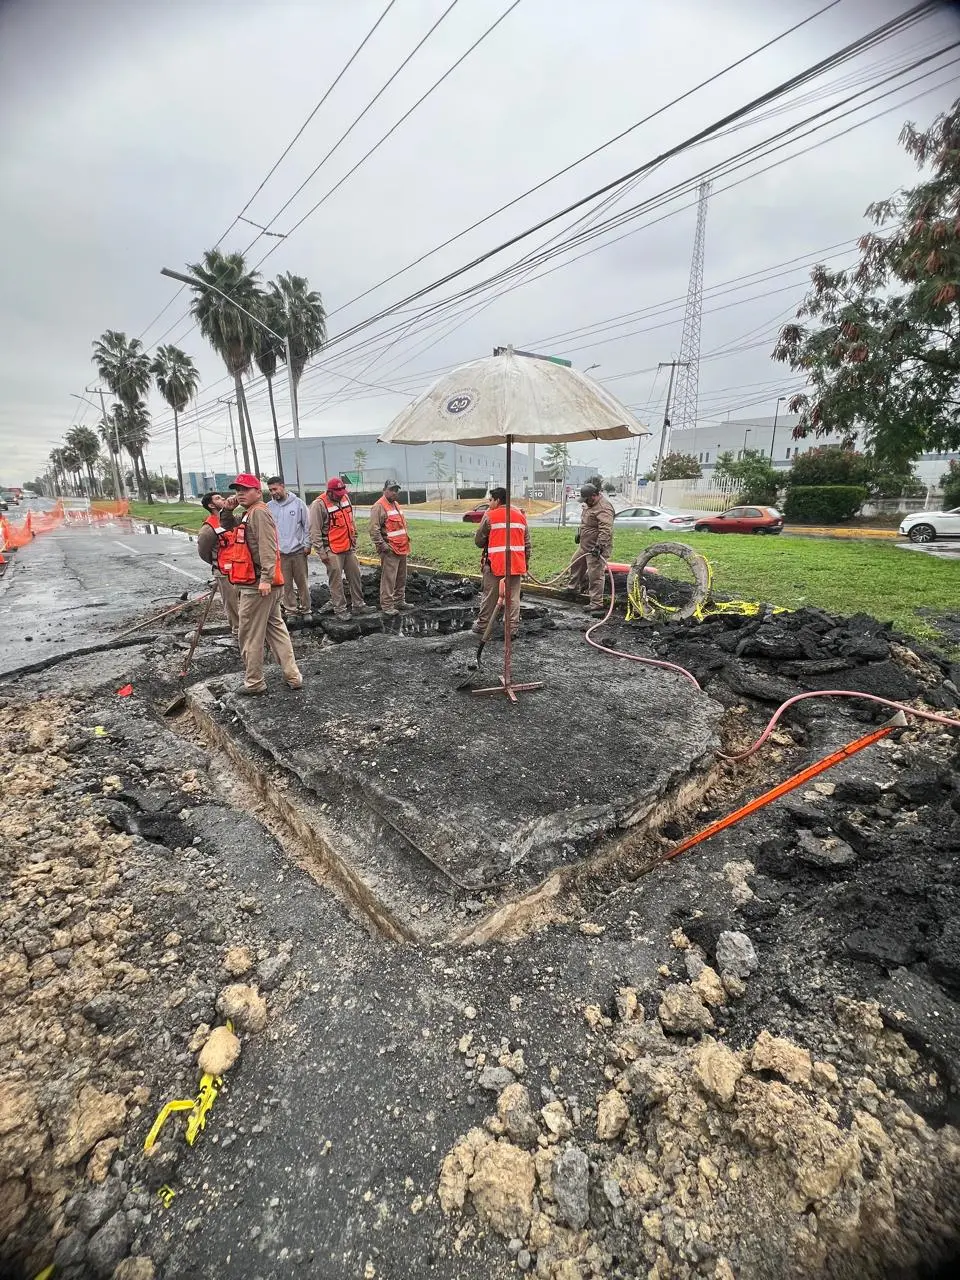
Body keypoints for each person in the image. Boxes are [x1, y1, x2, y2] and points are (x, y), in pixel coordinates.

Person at [219, 473, 303, 695]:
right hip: (262, 584)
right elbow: (228, 526)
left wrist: (266, 579)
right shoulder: (249, 513)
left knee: (249, 634)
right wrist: (227, 509)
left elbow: (269, 548)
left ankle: (254, 682)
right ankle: (292, 676)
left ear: (258, 491)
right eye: (238, 490)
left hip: (258, 586)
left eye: (245, 489)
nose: (240, 493)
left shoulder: (259, 513)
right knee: (275, 629)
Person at [308, 477, 371, 620]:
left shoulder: (345, 498)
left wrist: (354, 536)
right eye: (338, 493)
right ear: (330, 492)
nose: (341, 495)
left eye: (343, 491)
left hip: (348, 547)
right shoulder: (319, 504)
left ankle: (358, 605)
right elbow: (314, 531)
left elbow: (350, 520)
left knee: (355, 575)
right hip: (332, 549)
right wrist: (321, 552)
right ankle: (340, 609)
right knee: (336, 581)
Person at [473, 487, 531, 639]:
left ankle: (483, 625)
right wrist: (525, 563)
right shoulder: (520, 515)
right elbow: (527, 543)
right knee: (513, 598)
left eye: (490, 500)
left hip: (495, 564)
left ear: (498, 500)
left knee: (490, 595)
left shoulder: (490, 516)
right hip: (516, 564)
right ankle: (512, 628)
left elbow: (479, 541)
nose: (489, 503)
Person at [266, 477, 311, 620]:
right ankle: (291, 610)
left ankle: (306, 610)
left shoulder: (298, 504)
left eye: (275, 489)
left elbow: (307, 526)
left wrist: (307, 544)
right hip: (280, 554)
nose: (273, 492)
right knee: (285, 585)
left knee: (302, 582)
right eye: (270, 490)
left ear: (283, 487)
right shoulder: (268, 507)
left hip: (298, 551)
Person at [197, 491, 239, 636]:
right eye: (218, 498)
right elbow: (204, 552)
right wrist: (218, 563)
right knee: (232, 604)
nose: (223, 499)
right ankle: (237, 631)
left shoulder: (233, 519)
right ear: (211, 505)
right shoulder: (208, 529)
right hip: (224, 572)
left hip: (241, 569)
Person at [569, 483, 615, 616]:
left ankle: (596, 603)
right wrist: (580, 533)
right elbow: (586, 522)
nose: (585, 502)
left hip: (596, 548)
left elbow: (606, 530)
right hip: (585, 545)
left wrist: (599, 547)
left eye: (587, 499)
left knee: (595, 574)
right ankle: (573, 589)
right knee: (575, 563)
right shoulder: (589, 505)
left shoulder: (604, 508)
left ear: (594, 496)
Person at [369, 481, 412, 615]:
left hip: (402, 547)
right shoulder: (379, 506)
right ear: (384, 490)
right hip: (390, 549)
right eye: (392, 490)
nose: (394, 492)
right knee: (389, 579)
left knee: (401, 577)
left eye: (396, 490)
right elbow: (373, 530)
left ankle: (399, 600)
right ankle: (387, 605)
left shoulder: (396, 505)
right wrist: (383, 546)